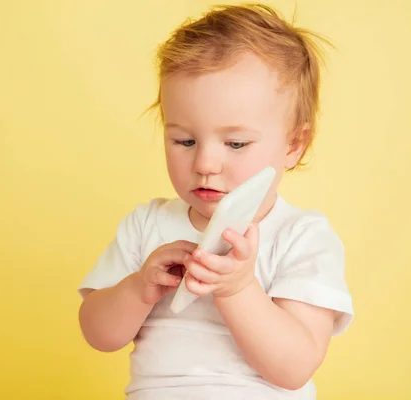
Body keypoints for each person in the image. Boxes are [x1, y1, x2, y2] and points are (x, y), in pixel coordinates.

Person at [77, 3, 354, 399]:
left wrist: (237, 289)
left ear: (293, 145)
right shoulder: (147, 224)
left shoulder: (301, 236)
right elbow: (98, 334)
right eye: (184, 141)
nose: (205, 163)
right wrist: (138, 288)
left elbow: (293, 368)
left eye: (236, 143)